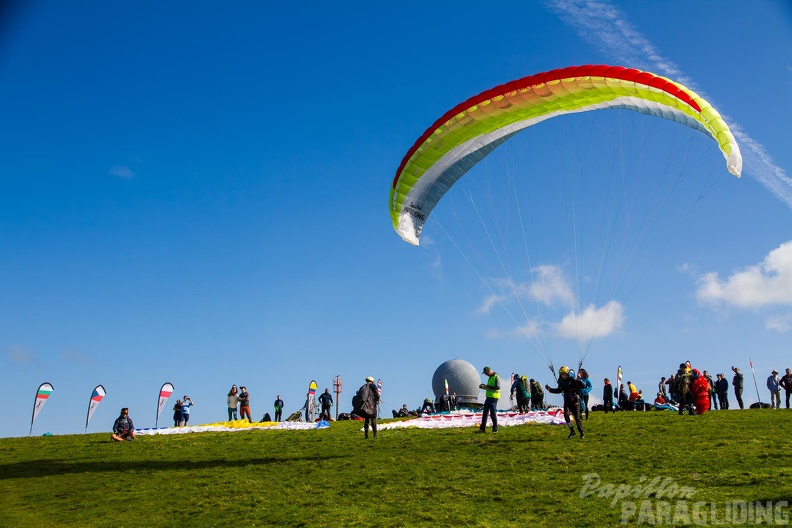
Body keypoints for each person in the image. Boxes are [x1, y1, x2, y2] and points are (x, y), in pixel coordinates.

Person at [546, 365, 585, 439]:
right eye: (561, 374)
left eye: (564, 374)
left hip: (574, 400)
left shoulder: (572, 379)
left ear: (567, 374)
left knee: (577, 418)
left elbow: (583, 386)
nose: (562, 375)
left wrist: (578, 380)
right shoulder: (560, 381)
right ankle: (572, 431)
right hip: (567, 401)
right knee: (566, 416)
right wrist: (550, 389)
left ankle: (581, 432)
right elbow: (559, 390)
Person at [477, 366, 500, 433]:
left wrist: (487, 386)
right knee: (485, 413)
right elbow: (489, 388)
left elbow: (497, 387)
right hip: (488, 397)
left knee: (493, 413)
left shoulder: (496, 377)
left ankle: (495, 429)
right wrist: (484, 387)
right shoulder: (490, 378)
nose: (486, 374)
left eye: (486, 373)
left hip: (494, 398)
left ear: (489, 371)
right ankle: (482, 429)